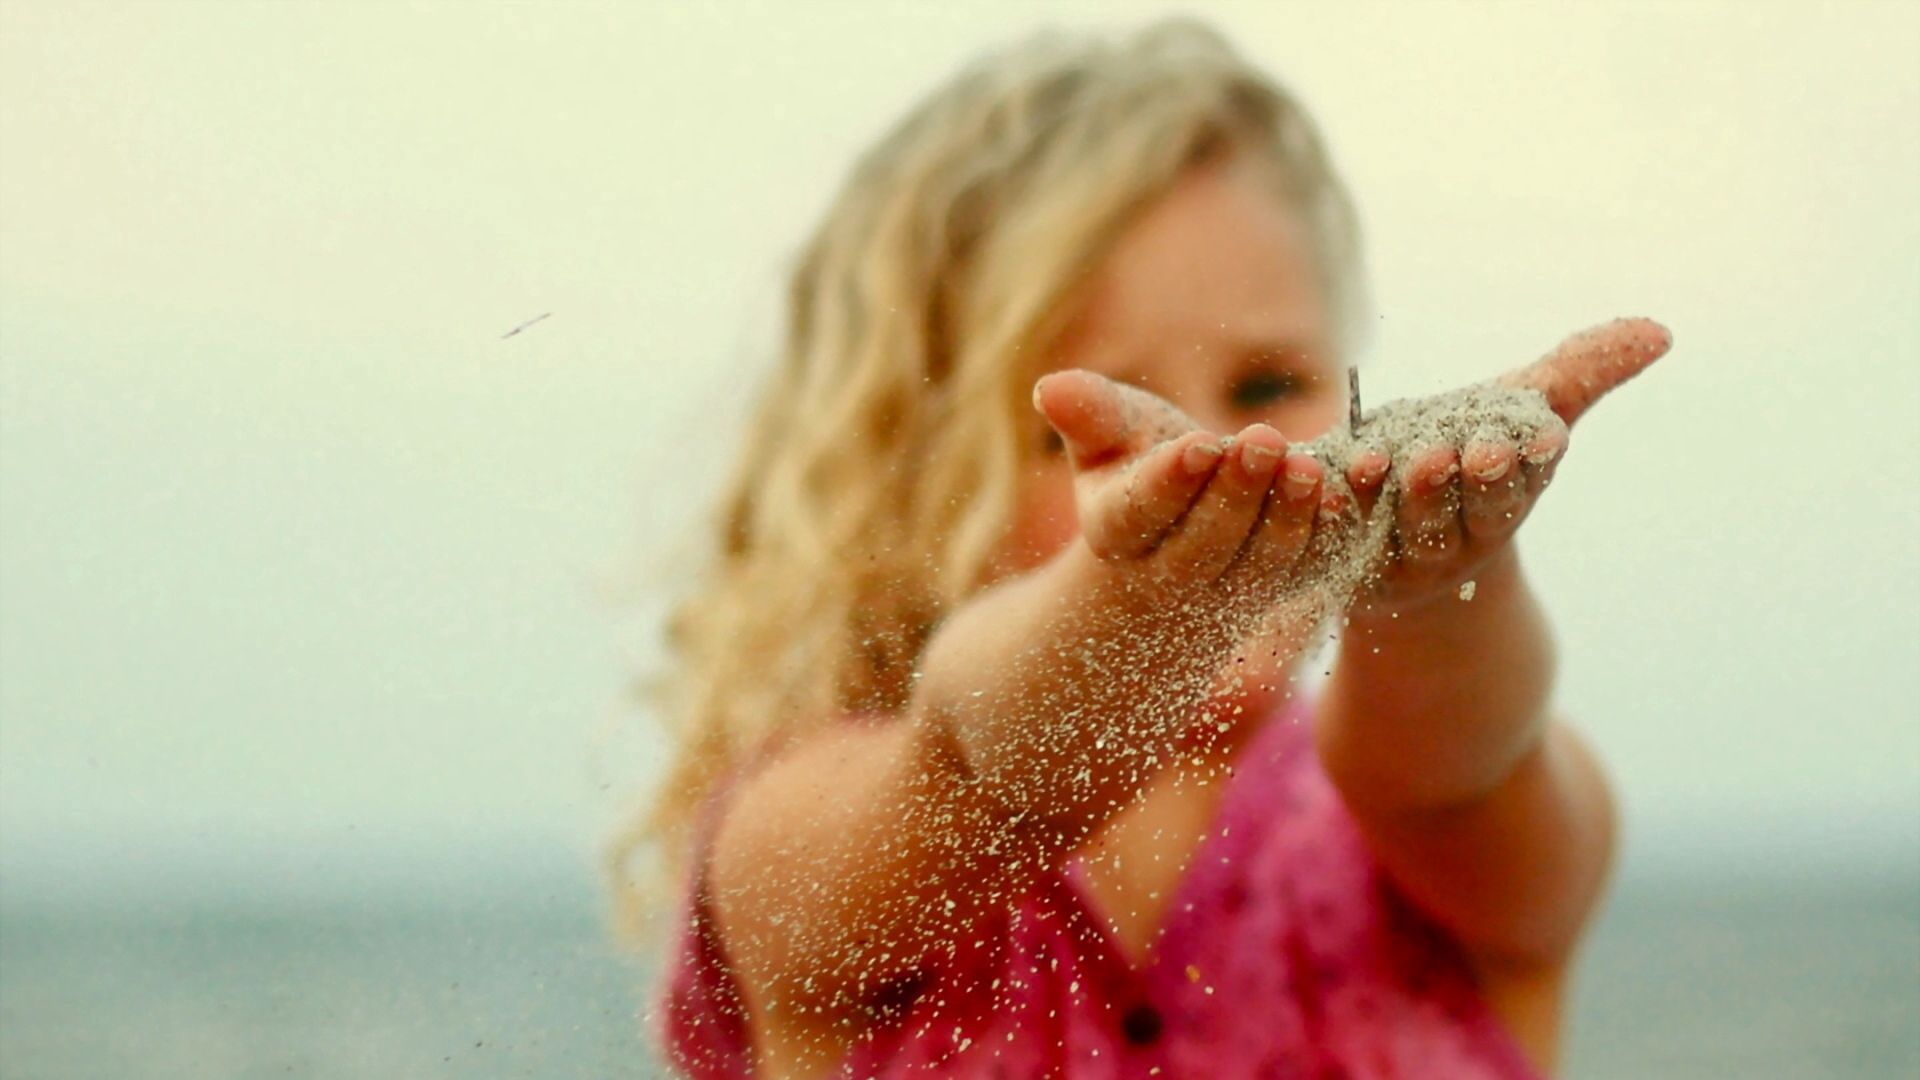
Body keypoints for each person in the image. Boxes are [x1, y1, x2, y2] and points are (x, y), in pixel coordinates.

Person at [617, 18, 1671, 1079]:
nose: (1225, 453)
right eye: (1089, 429)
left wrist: (1439, 580)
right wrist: (1137, 605)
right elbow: (982, 759)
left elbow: (1451, 775)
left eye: (1269, 385)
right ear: (913, 480)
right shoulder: (812, 838)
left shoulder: (1426, 822)